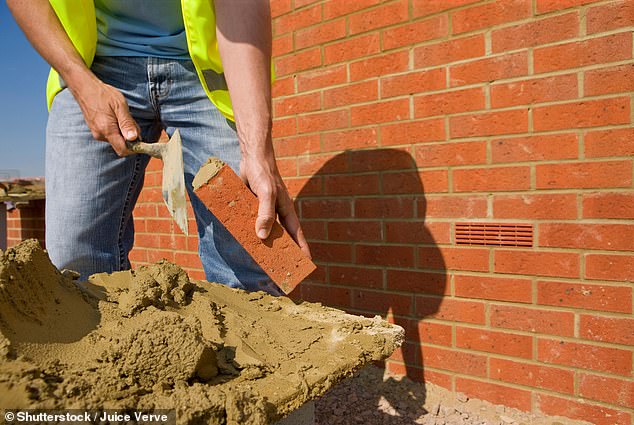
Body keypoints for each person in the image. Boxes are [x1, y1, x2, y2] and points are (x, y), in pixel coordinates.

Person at [7, 0, 311, 295]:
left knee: (255, 246)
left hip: (200, 69)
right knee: (75, 260)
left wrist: (258, 152)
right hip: (92, 68)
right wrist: (79, 82)